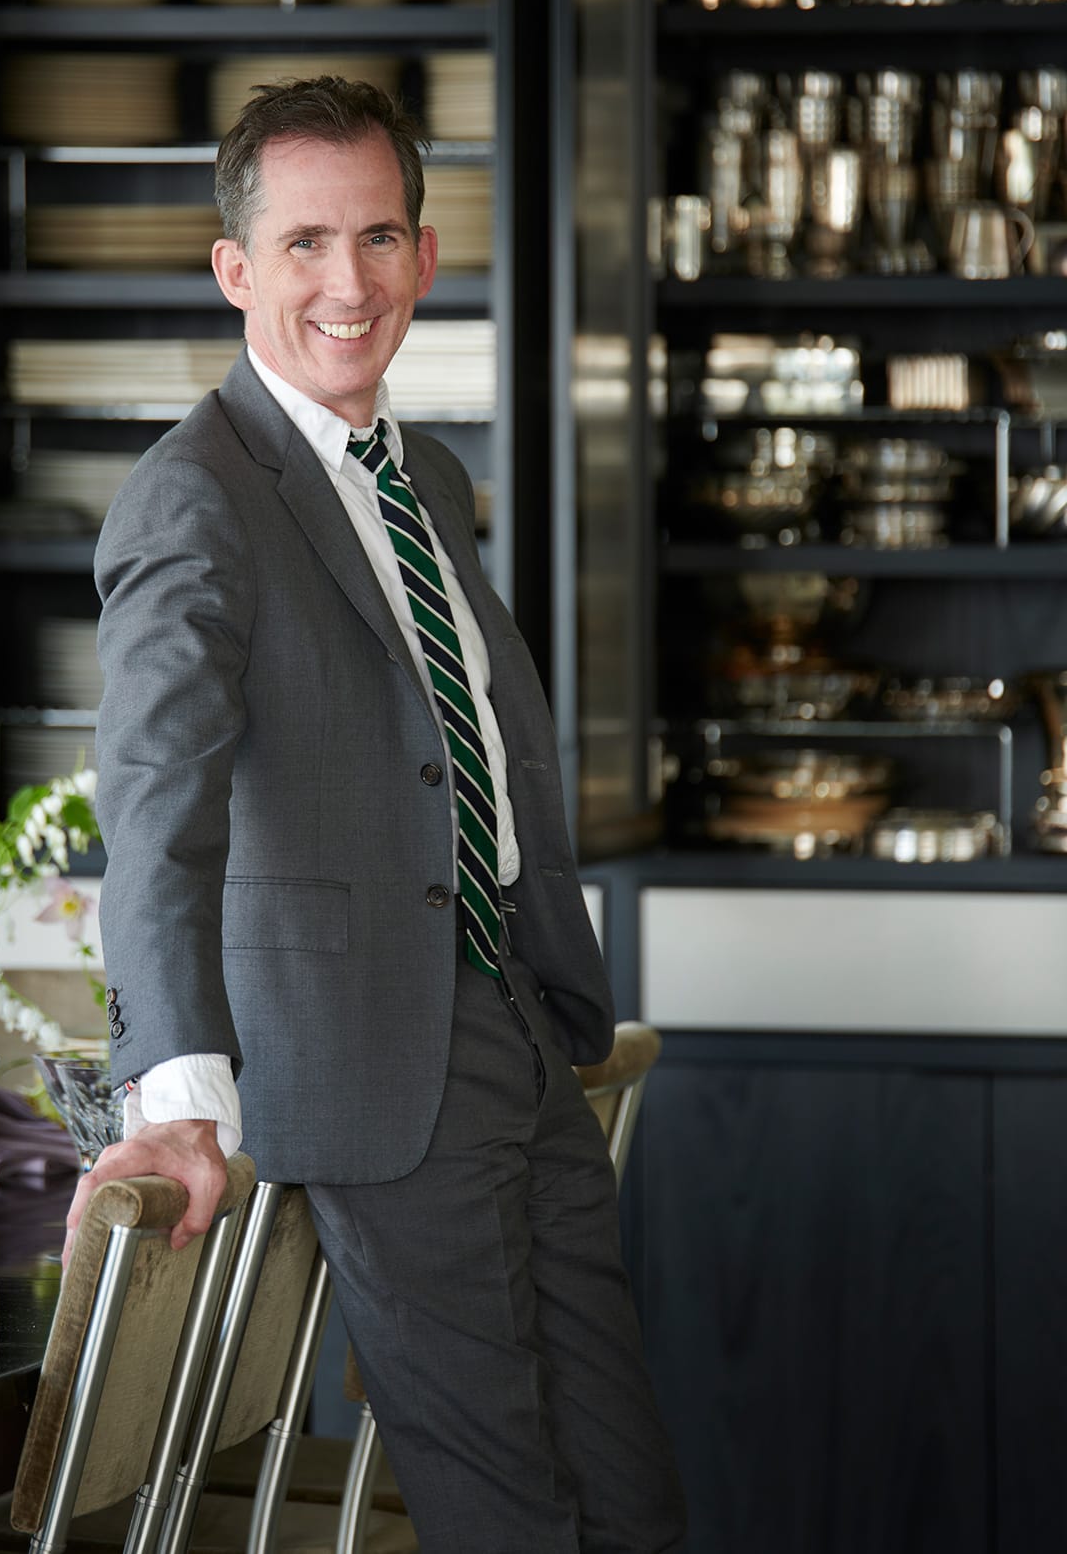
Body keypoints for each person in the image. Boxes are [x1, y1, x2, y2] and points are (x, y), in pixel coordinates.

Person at [67, 76, 686, 1553]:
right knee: (510, 1511)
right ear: (236, 270)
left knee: (630, 1490)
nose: (348, 283)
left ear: (422, 254)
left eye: (381, 237)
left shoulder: (432, 480)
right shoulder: (193, 498)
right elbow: (158, 812)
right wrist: (175, 1097)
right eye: (304, 244)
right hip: (368, 1063)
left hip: (514, 1025)